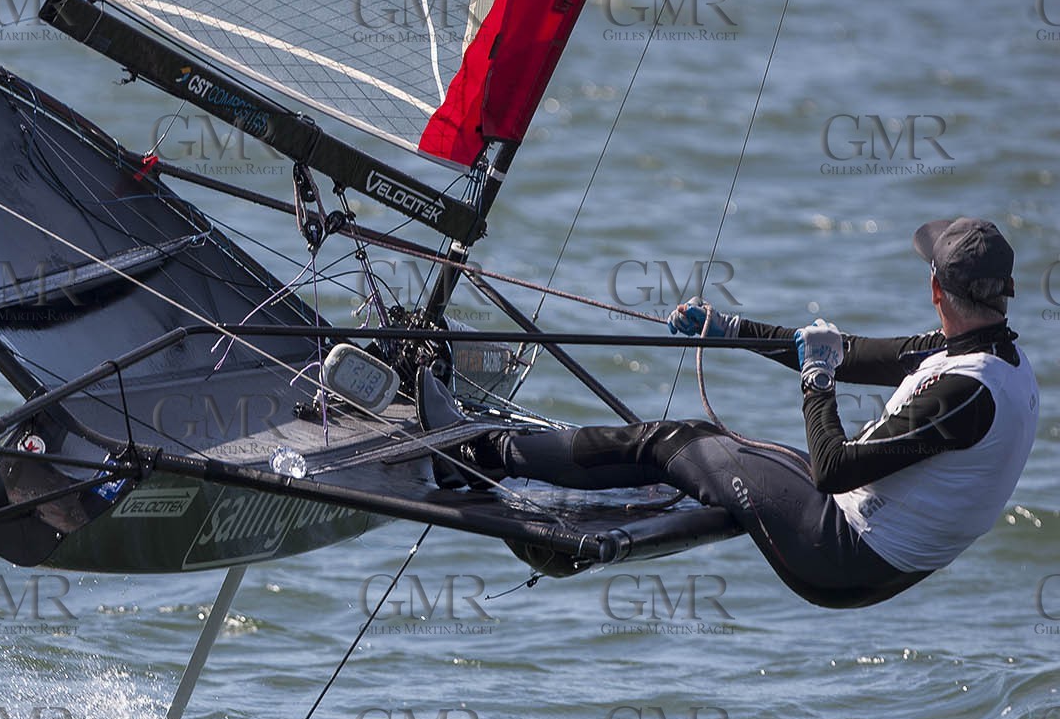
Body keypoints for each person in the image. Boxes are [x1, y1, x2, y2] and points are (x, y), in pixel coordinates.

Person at [422, 217, 1039, 608]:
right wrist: (731, 329)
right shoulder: (989, 354)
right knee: (713, 456)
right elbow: (850, 354)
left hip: (845, 556)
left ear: (935, 289)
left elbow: (832, 468)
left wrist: (816, 381)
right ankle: (556, 512)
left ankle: (472, 453)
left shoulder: (967, 392)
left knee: (673, 442)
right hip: (867, 549)